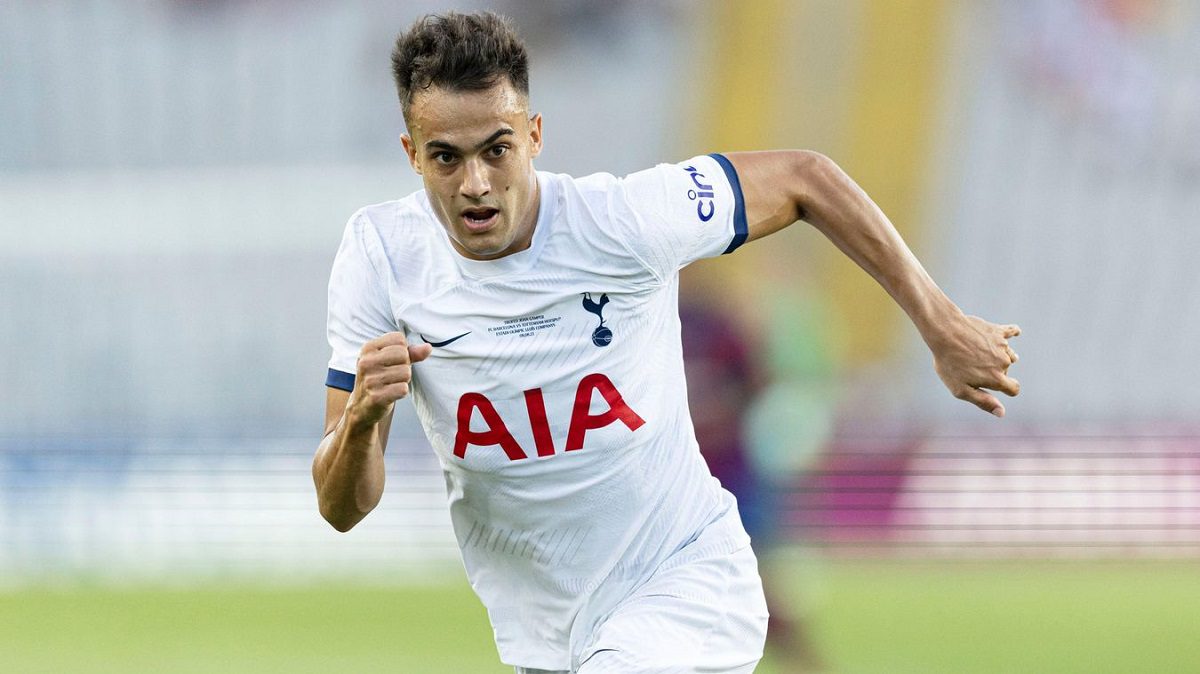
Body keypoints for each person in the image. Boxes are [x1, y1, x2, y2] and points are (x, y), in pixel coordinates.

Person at [312, 12, 1021, 674]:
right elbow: (342, 507)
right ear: (412, 155)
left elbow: (805, 177)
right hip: (547, 637)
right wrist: (364, 420)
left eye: (497, 150)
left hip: (685, 583)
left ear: (533, 135)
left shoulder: (623, 221)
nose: (475, 183)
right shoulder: (382, 256)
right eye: (446, 158)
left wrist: (940, 322)